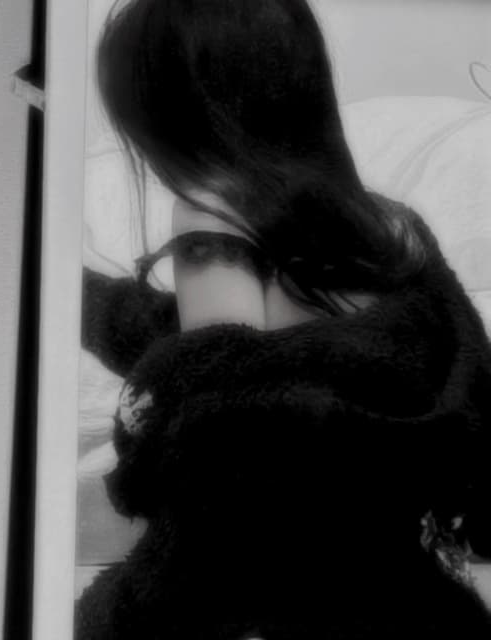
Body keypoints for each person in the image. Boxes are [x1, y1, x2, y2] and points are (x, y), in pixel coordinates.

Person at [76, 0, 491, 637]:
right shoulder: (391, 227)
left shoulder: (212, 221)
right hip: (407, 591)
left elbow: (220, 439)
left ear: (171, 120)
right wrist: (86, 295)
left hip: (283, 588)